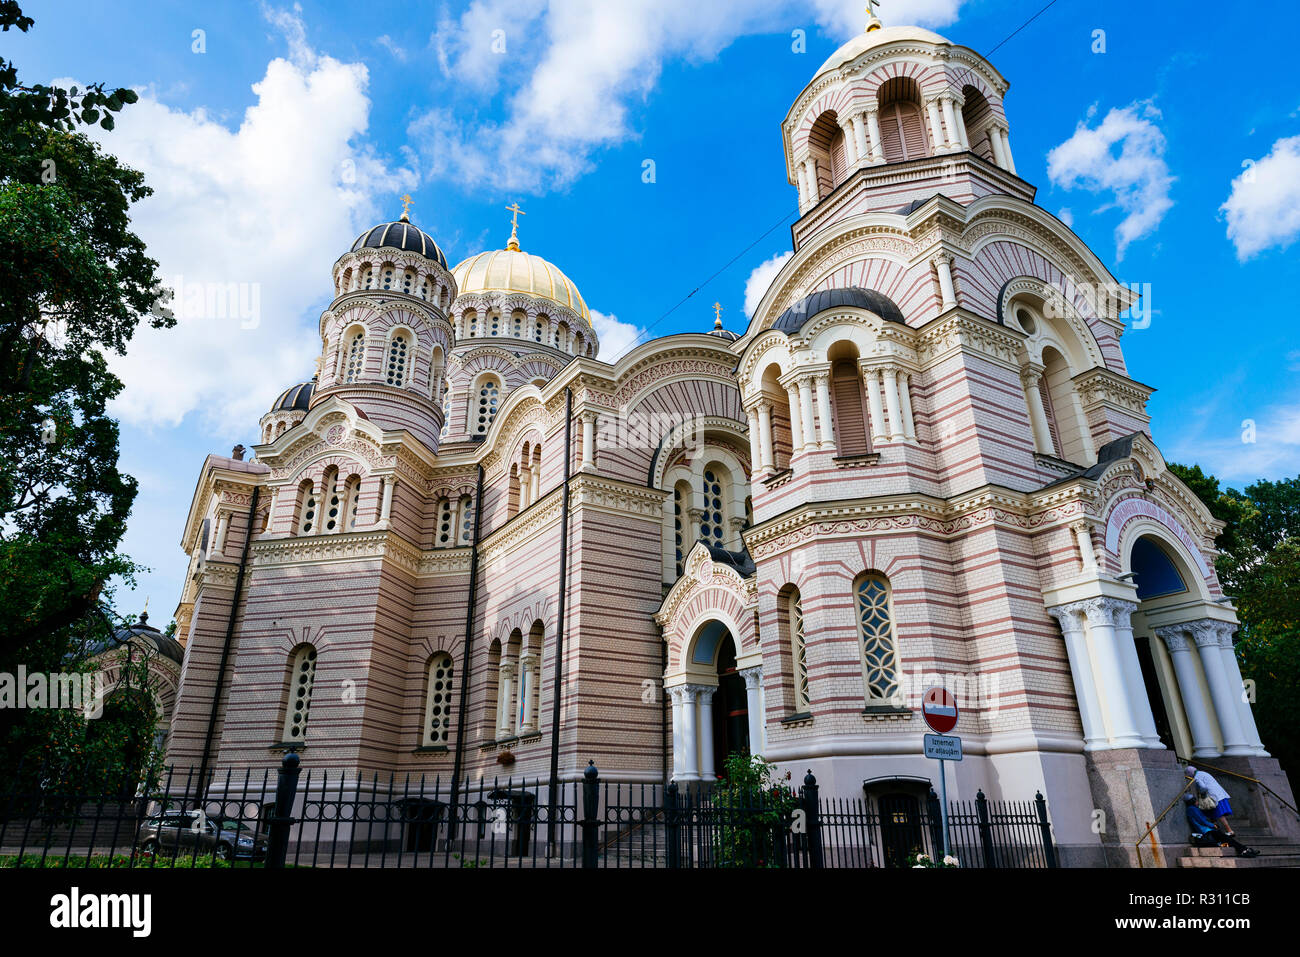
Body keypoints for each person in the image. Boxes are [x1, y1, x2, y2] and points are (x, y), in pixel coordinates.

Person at [1184, 793, 1259, 857]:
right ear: (1192, 801)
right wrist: (1213, 825)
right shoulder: (1192, 809)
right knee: (1227, 839)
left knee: (1228, 840)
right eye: (1196, 800)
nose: (1197, 801)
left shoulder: (1193, 809)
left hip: (1209, 831)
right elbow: (1202, 821)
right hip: (1207, 831)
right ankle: (1244, 850)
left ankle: (1244, 850)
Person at [1185, 765, 1236, 835]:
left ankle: (1229, 830)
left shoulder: (1197, 778)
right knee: (1212, 813)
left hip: (1213, 797)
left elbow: (1203, 787)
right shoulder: (1203, 773)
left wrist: (1202, 795)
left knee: (1219, 814)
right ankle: (1215, 830)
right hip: (1218, 794)